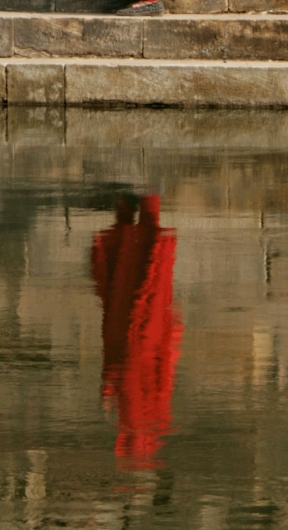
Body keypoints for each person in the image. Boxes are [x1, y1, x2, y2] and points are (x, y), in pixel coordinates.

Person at [91, 194, 182, 469]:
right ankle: (137, 206)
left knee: (135, 285)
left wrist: (108, 388)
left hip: (137, 340)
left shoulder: (156, 418)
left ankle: (136, 207)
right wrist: (108, 388)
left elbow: (165, 371)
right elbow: (163, 373)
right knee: (133, 285)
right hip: (137, 341)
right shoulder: (154, 417)